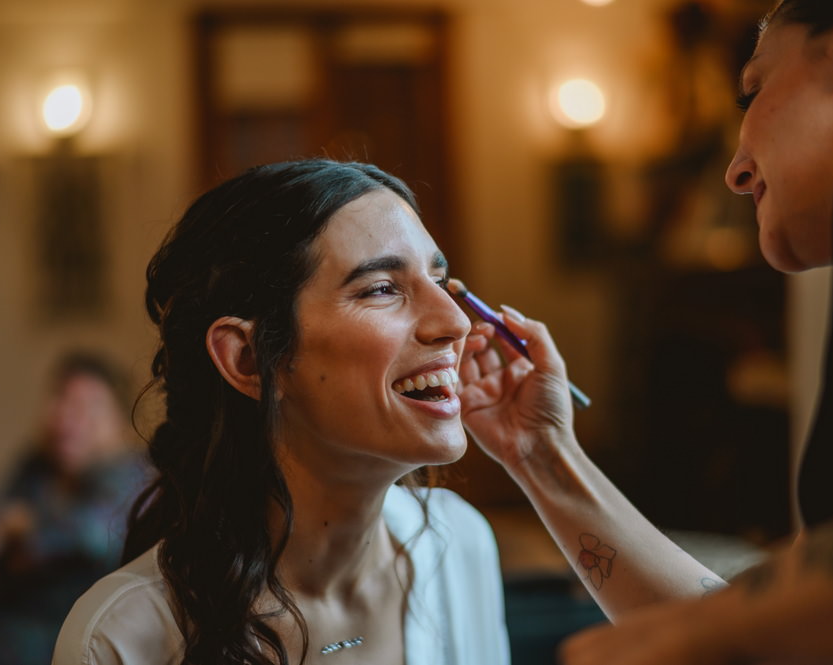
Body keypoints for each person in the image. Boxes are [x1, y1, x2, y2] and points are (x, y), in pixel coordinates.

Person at [458, 0, 833, 663]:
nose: (734, 171)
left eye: (753, 91)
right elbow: (796, 625)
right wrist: (542, 452)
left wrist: (691, 636)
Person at [52, 160, 509, 665]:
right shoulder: (120, 638)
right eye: (381, 288)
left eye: (441, 281)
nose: (456, 321)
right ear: (249, 359)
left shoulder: (457, 548)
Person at [0, 352, 149, 665]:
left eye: (87, 406)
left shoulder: (131, 473)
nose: (67, 417)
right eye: (61, 399)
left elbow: (94, 535)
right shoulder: (36, 466)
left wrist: (22, 529)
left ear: (119, 422)